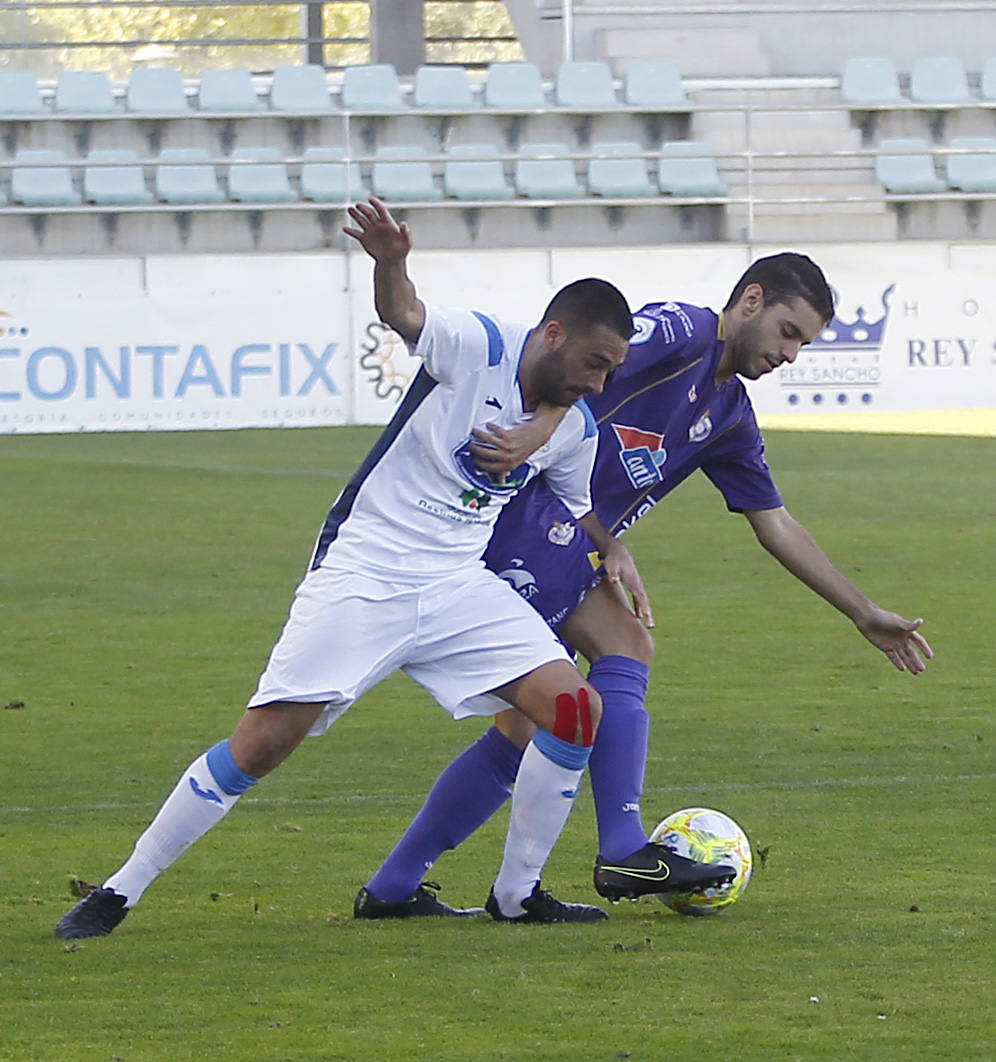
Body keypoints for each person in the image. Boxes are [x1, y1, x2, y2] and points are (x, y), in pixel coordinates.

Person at [55, 198, 734, 940]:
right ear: (552, 333)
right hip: (367, 570)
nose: (601, 383)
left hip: (456, 585)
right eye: (595, 364)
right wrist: (390, 262)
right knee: (265, 742)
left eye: (611, 371)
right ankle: (121, 890)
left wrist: (614, 548)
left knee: (575, 711)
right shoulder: (478, 343)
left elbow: (577, 505)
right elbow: (406, 314)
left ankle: (516, 896)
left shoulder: (573, 426)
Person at [353, 251, 934, 919]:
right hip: (527, 511)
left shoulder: (729, 414)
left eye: (803, 342)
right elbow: (582, 364)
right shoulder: (682, 331)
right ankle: (619, 848)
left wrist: (862, 612)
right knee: (621, 646)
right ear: (750, 301)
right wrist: (547, 433)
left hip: (569, 535)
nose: (792, 354)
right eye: (789, 332)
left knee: (524, 730)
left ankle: (398, 889)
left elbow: (775, 524)